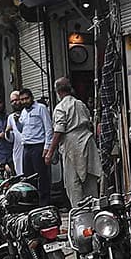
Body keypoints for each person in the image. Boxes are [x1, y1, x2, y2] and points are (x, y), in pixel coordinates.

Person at [47, 77, 102, 208]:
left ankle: (80, 215)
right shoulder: (80, 104)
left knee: (73, 183)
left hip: (72, 144)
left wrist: (50, 151)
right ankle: (94, 212)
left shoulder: (61, 107)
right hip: (88, 142)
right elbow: (90, 123)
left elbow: (59, 130)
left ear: (57, 92)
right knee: (90, 181)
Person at [12, 88, 53, 203]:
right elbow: (22, 129)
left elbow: (48, 129)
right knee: (28, 177)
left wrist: (46, 148)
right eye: (22, 100)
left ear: (32, 98)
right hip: (27, 147)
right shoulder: (24, 112)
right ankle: (32, 203)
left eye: (26, 98)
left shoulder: (41, 108)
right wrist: (17, 122)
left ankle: (44, 203)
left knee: (42, 176)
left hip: (38, 146)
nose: (24, 101)